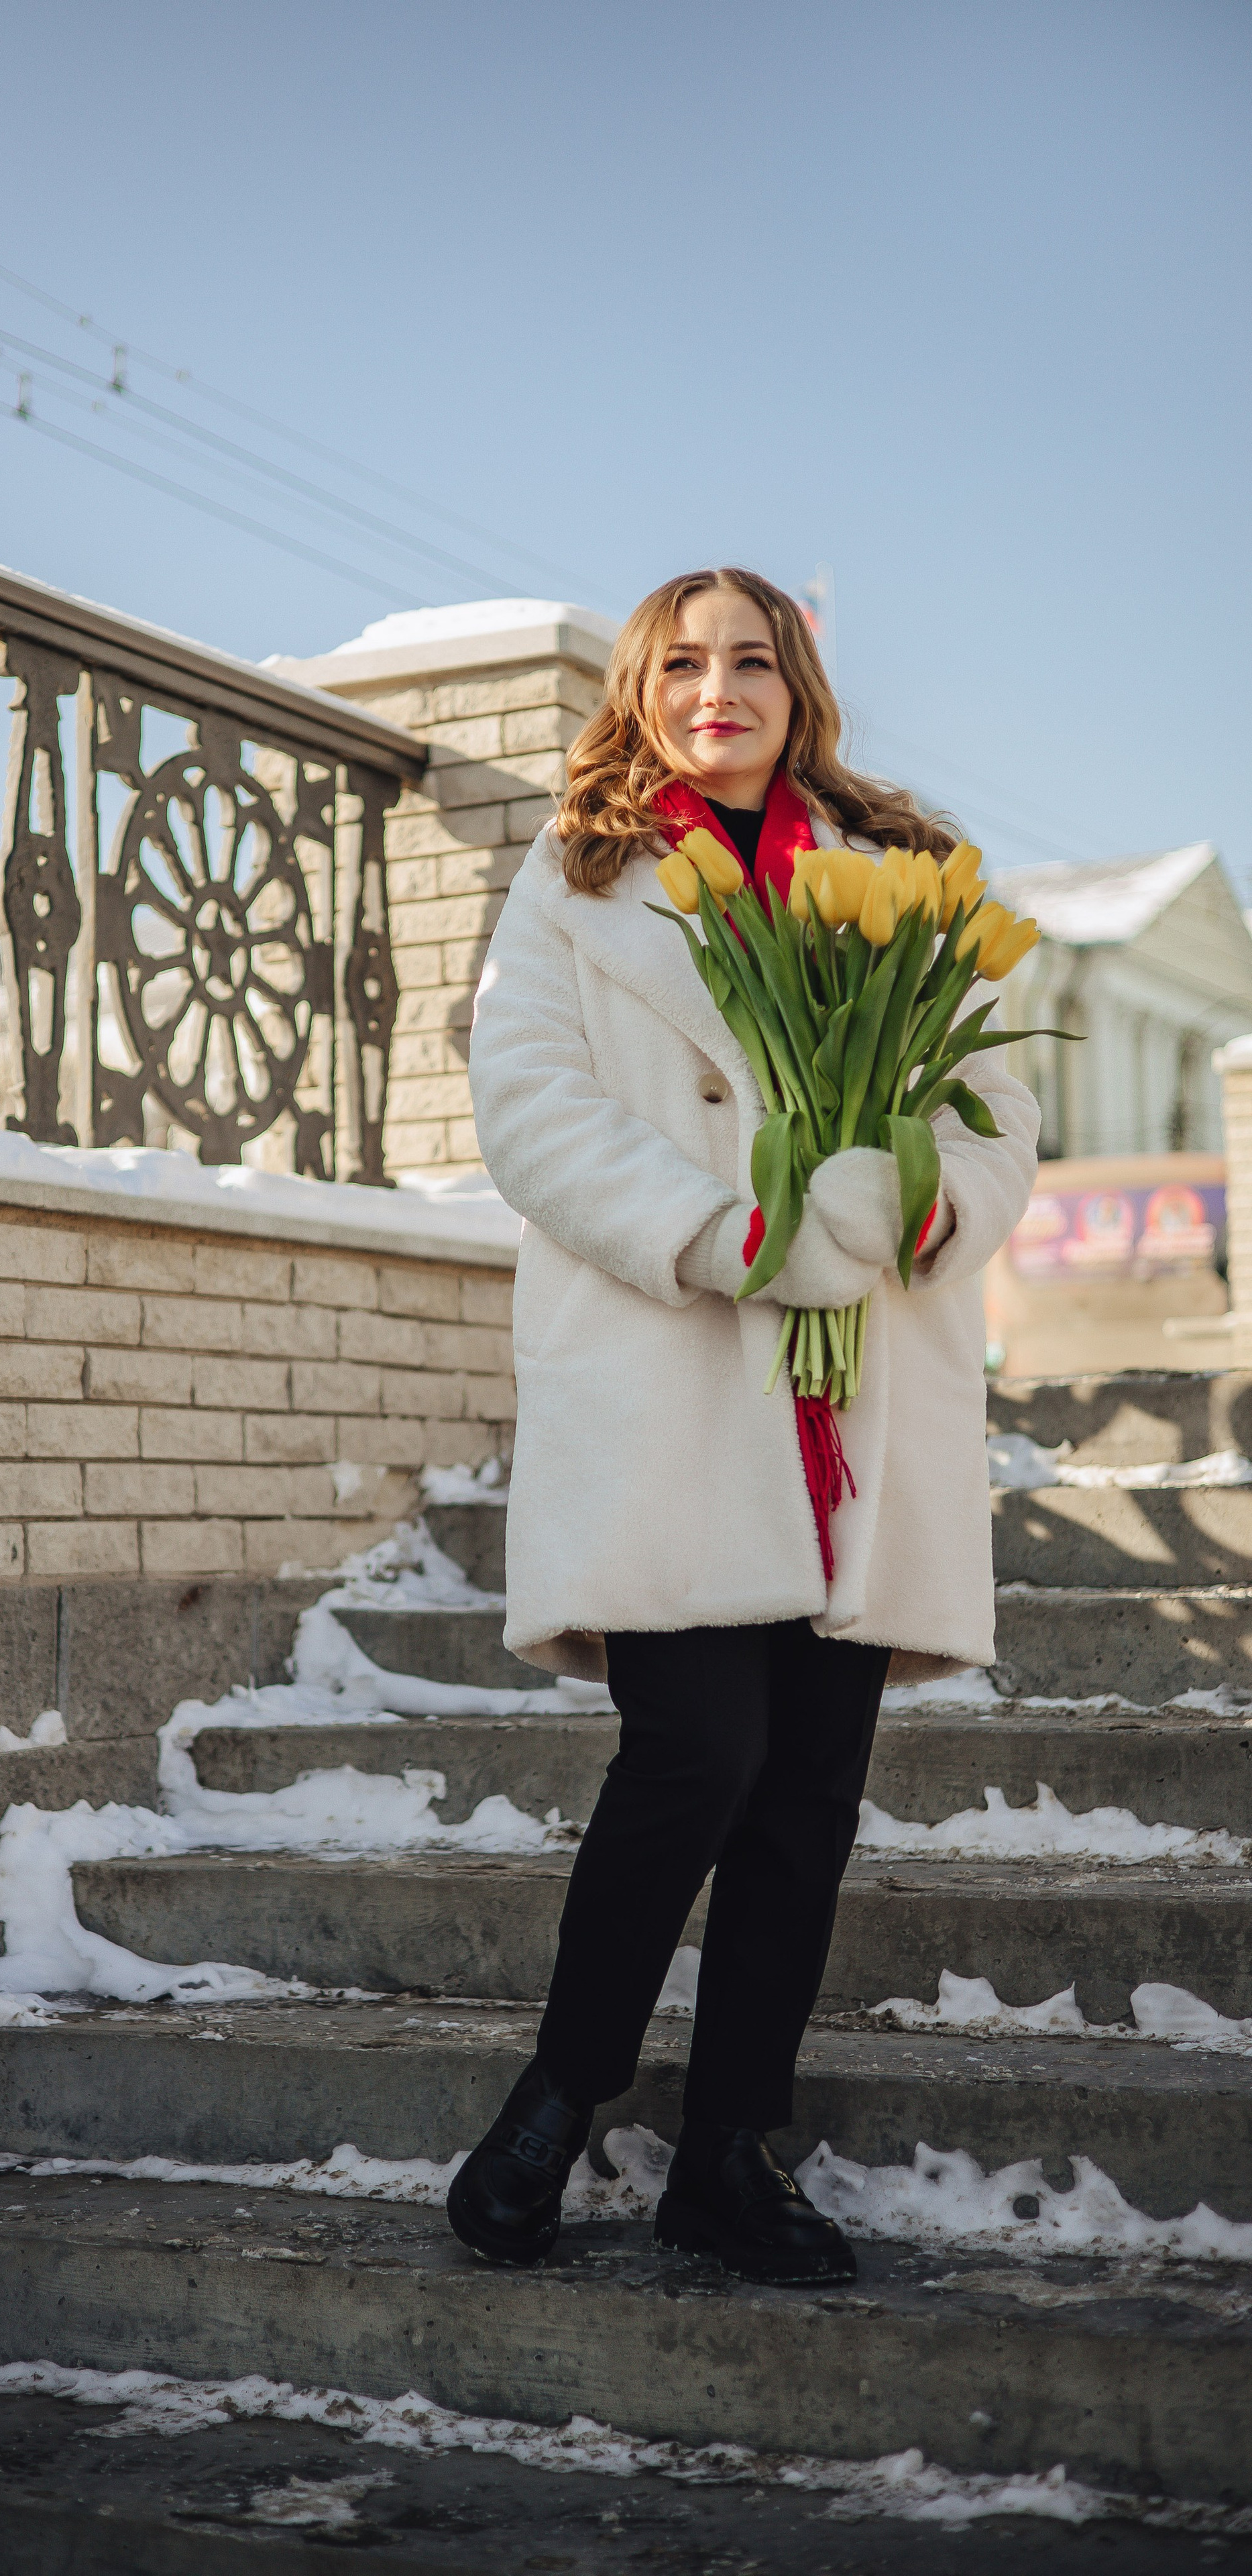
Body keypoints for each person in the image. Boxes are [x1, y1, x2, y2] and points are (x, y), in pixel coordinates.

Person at [448, 568, 1039, 2285]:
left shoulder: (901, 866)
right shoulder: (574, 874)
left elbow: (991, 1109)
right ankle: (561, 2094)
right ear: (641, 688)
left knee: (805, 1793)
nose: (720, 686)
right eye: (685, 661)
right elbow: (529, 1104)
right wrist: (729, 1234)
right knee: (693, 1754)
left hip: (856, 1384)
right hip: (676, 1361)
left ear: (797, 688)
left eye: (753, 659)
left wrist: (910, 1204)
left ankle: (725, 2154)